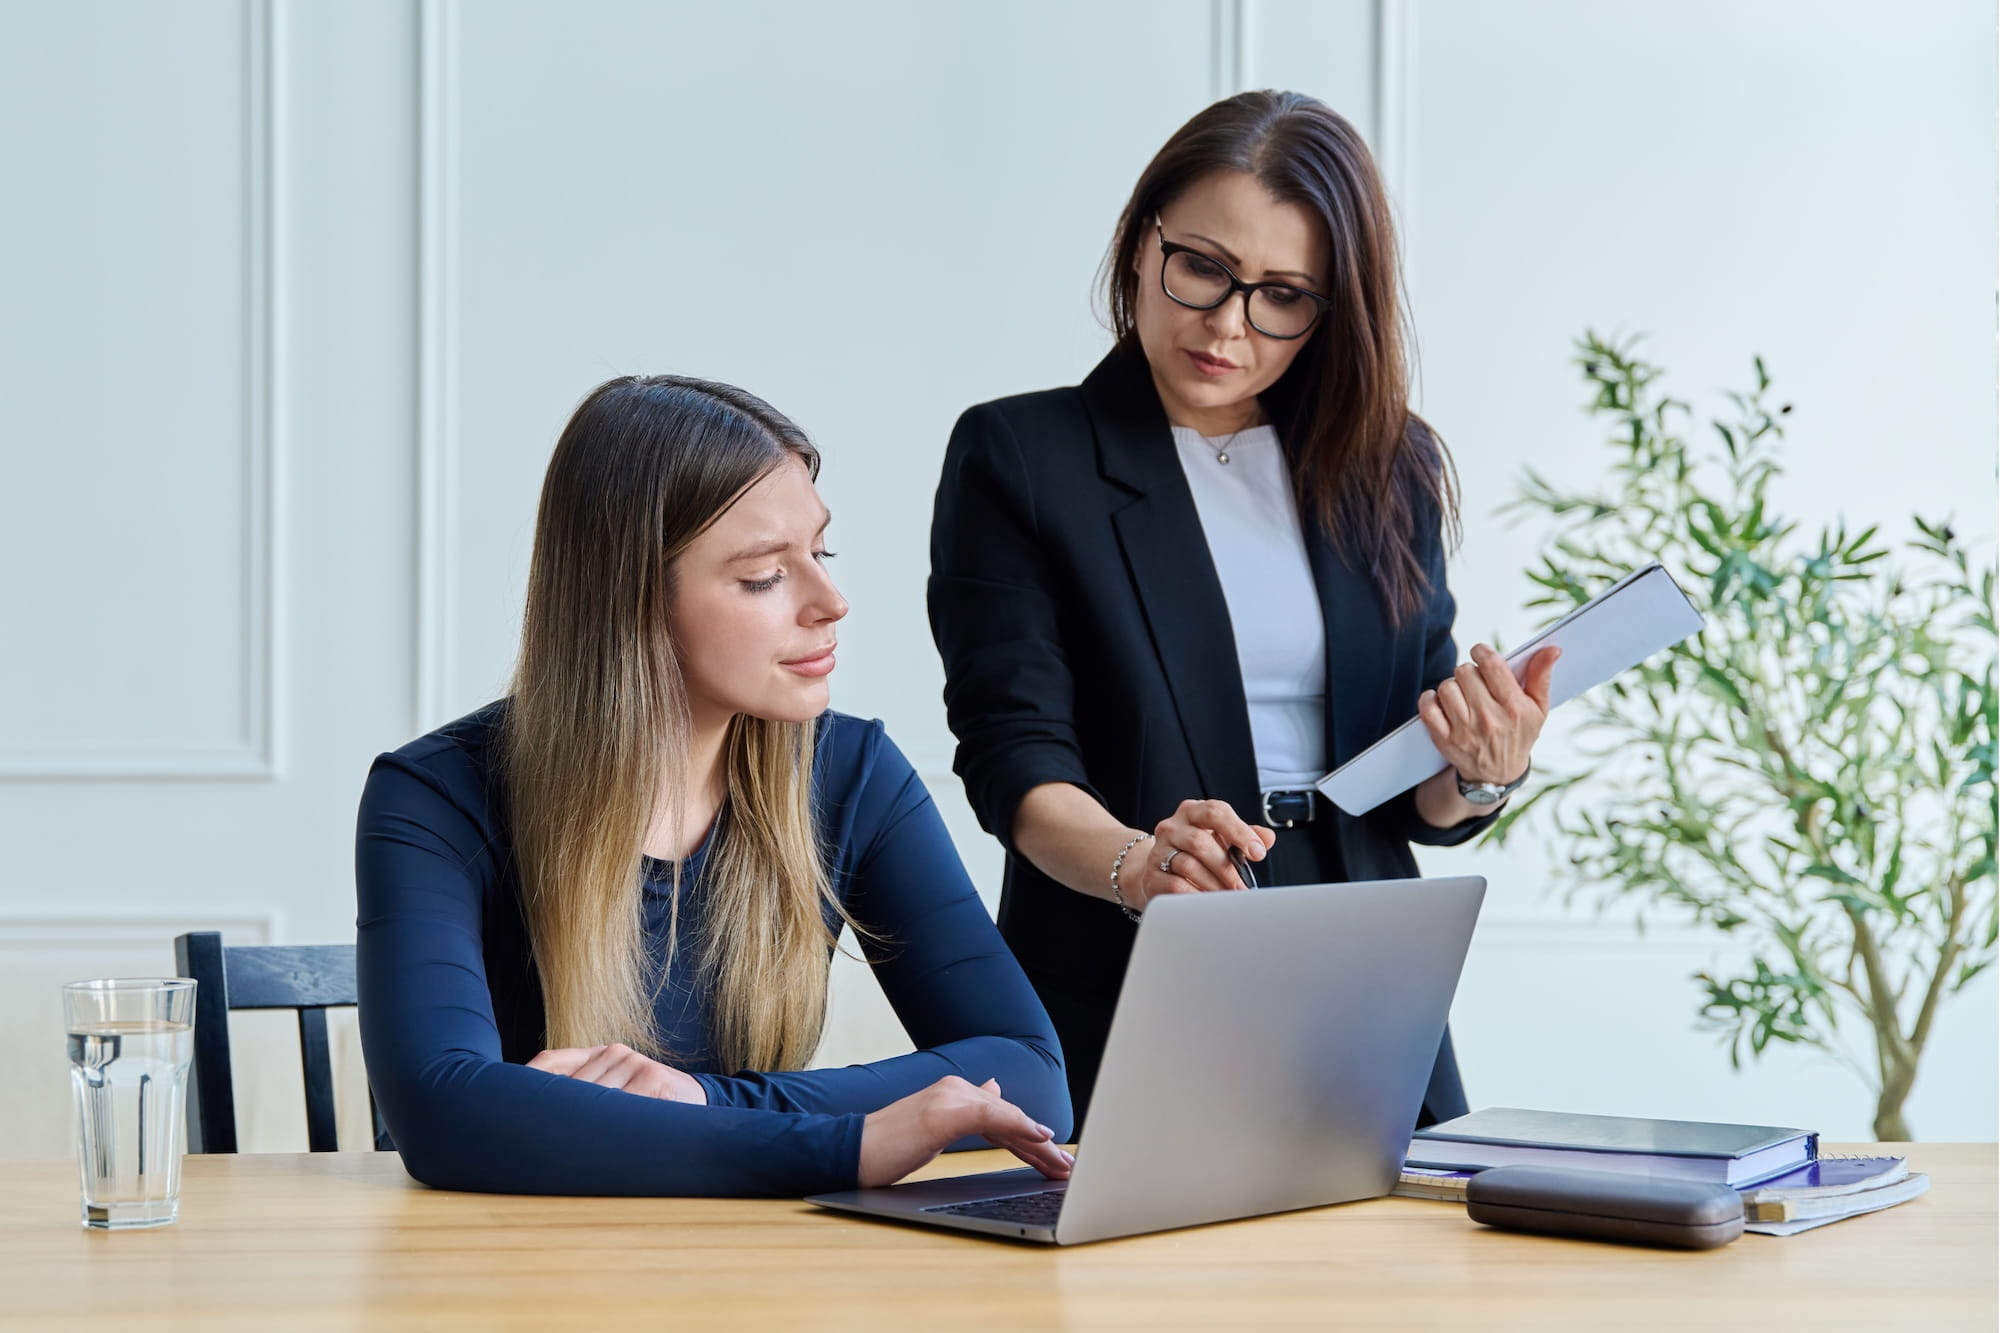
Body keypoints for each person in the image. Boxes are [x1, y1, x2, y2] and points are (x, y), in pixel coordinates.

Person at [927, 90, 1558, 1129]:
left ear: (1331, 307)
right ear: (1142, 244)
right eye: (1202, 268)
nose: (1227, 324)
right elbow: (1016, 761)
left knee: (1402, 1230)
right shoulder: (1022, 457)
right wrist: (1139, 864)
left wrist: (1482, 770)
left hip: (1359, 946)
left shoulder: (1385, 464)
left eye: (1283, 296)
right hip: (1132, 934)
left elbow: (1414, 792)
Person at [356, 375, 1072, 1196]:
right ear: (629, 602)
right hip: (498, 1257)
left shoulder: (852, 773)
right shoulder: (434, 796)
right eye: (764, 575)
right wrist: (844, 1144)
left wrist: (705, 1099)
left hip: (740, 1250)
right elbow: (443, 1110)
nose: (831, 601)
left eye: (821, 553)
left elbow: (1029, 1074)